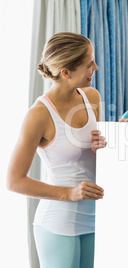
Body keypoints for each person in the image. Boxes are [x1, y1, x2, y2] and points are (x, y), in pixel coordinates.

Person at [7, 32, 104, 268]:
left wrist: (107, 144)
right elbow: (14, 181)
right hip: (58, 222)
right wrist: (69, 193)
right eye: (89, 63)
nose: (96, 67)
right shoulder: (38, 115)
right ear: (66, 72)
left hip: (96, 219)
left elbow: (92, 161)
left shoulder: (92, 97)